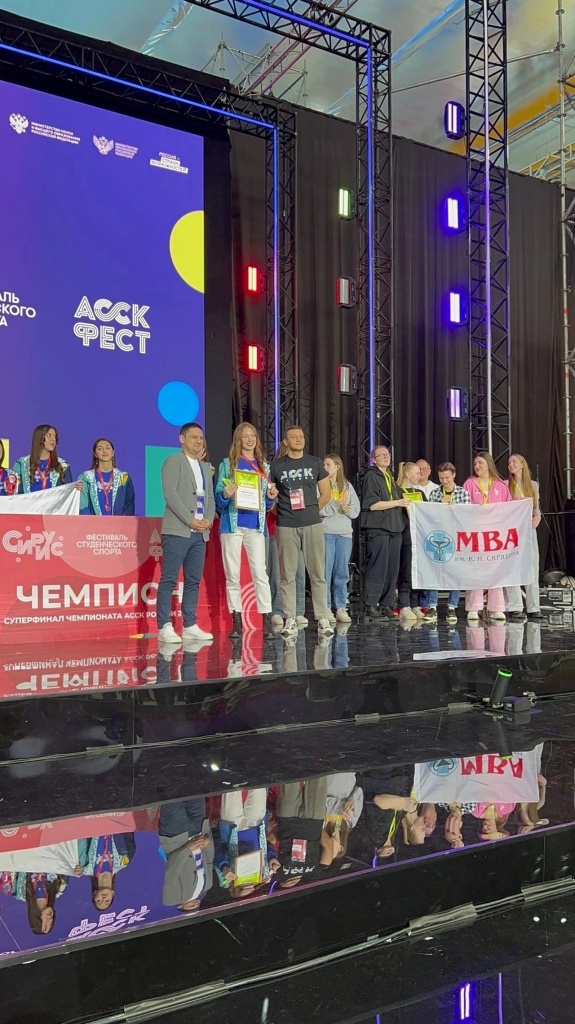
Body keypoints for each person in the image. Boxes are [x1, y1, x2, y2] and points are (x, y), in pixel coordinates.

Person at [269, 426, 333, 637]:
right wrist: (283, 511)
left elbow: (326, 494)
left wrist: (311, 511)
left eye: (301, 436)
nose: (298, 439)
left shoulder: (315, 463)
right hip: (286, 525)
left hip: (312, 524)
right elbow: (270, 497)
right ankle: (290, 618)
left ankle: (322, 618)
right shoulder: (276, 466)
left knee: (317, 573)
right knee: (287, 575)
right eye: (293, 437)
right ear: (285, 442)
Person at [216, 423, 278, 640]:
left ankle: (266, 621)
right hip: (232, 525)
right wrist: (226, 494)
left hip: (255, 526)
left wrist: (271, 496)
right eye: (245, 436)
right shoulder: (227, 465)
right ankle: (237, 622)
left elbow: (267, 505)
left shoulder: (264, 467)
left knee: (260, 573)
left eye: (253, 436)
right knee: (232, 574)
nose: (250, 439)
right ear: (238, 440)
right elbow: (219, 501)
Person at [156, 422, 215, 644]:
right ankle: (164, 625)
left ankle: (190, 625)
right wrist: (190, 520)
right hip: (178, 531)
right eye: (193, 437)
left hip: (200, 534)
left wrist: (208, 520)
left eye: (200, 437)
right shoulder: (173, 461)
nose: (198, 441)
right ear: (182, 439)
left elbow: (209, 497)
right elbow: (170, 494)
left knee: (193, 580)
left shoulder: (205, 467)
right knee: (169, 579)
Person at [361, 446, 409, 621]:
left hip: (395, 528)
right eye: (380, 455)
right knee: (378, 567)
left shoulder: (389, 476)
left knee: (392, 569)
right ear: (374, 460)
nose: (385, 457)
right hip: (378, 528)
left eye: (387, 454)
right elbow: (372, 504)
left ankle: (387, 604)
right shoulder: (371, 476)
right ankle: (371, 604)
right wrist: (398, 502)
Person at [463, 452, 511, 623]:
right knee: (475, 570)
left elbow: (509, 509)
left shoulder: (500, 485)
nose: (477, 466)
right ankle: (474, 607)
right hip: (475, 533)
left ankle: (497, 608)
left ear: (488, 464)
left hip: (495, 535)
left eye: (480, 463)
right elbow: (463, 507)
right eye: (475, 464)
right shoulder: (469, 484)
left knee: (496, 570)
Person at [422, 462, 471, 623]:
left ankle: (452, 607)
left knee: (455, 572)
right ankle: (432, 607)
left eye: (447, 478)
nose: (444, 481)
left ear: (454, 475)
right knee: (435, 571)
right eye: (442, 478)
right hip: (439, 537)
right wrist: (440, 506)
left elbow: (467, 516)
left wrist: (452, 507)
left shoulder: (462, 493)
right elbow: (429, 517)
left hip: (456, 537)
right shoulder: (435, 493)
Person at [321, 454, 360, 623]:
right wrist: (334, 506)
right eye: (324, 465)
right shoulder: (320, 486)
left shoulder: (347, 487)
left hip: (344, 534)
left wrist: (346, 508)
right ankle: (326, 608)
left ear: (337, 466)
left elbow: (355, 511)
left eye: (328, 464)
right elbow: (317, 509)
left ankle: (341, 607)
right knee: (325, 572)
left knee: (342, 572)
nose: (325, 468)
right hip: (326, 533)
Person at [505, 454, 544, 621]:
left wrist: (538, 517)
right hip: (512, 531)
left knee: (532, 566)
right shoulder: (506, 485)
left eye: (514, 461)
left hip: (528, 529)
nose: (511, 464)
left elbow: (536, 507)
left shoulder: (533, 485)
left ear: (522, 464)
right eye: (509, 462)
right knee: (512, 566)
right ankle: (514, 606)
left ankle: (534, 607)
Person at [395, 462, 426, 620]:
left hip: (418, 536)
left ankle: (415, 603)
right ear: (407, 474)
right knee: (406, 569)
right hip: (404, 535)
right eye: (417, 473)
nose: (420, 476)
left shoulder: (419, 493)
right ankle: (404, 604)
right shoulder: (397, 492)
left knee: (417, 570)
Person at [76, 833, 136, 910]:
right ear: (113, 893)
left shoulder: (84, 867)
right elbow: (128, 831)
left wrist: (77, 864)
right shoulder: (124, 861)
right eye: (107, 901)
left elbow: (80, 837)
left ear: (94, 893)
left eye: (99, 901)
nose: (104, 898)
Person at [78, 438, 135, 516]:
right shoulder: (85, 477)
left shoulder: (124, 478)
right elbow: (83, 507)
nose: (104, 451)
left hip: (120, 523)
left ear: (113, 453)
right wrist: (92, 522)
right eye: (100, 448)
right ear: (95, 454)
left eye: (107, 448)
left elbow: (129, 506)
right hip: (92, 523)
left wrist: (120, 523)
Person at [13, 424, 73, 493]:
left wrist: (75, 488)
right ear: (39, 438)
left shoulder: (62, 466)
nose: (53, 439)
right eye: (48, 435)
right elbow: (15, 494)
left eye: (54, 436)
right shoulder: (21, 464)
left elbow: (68, 492)